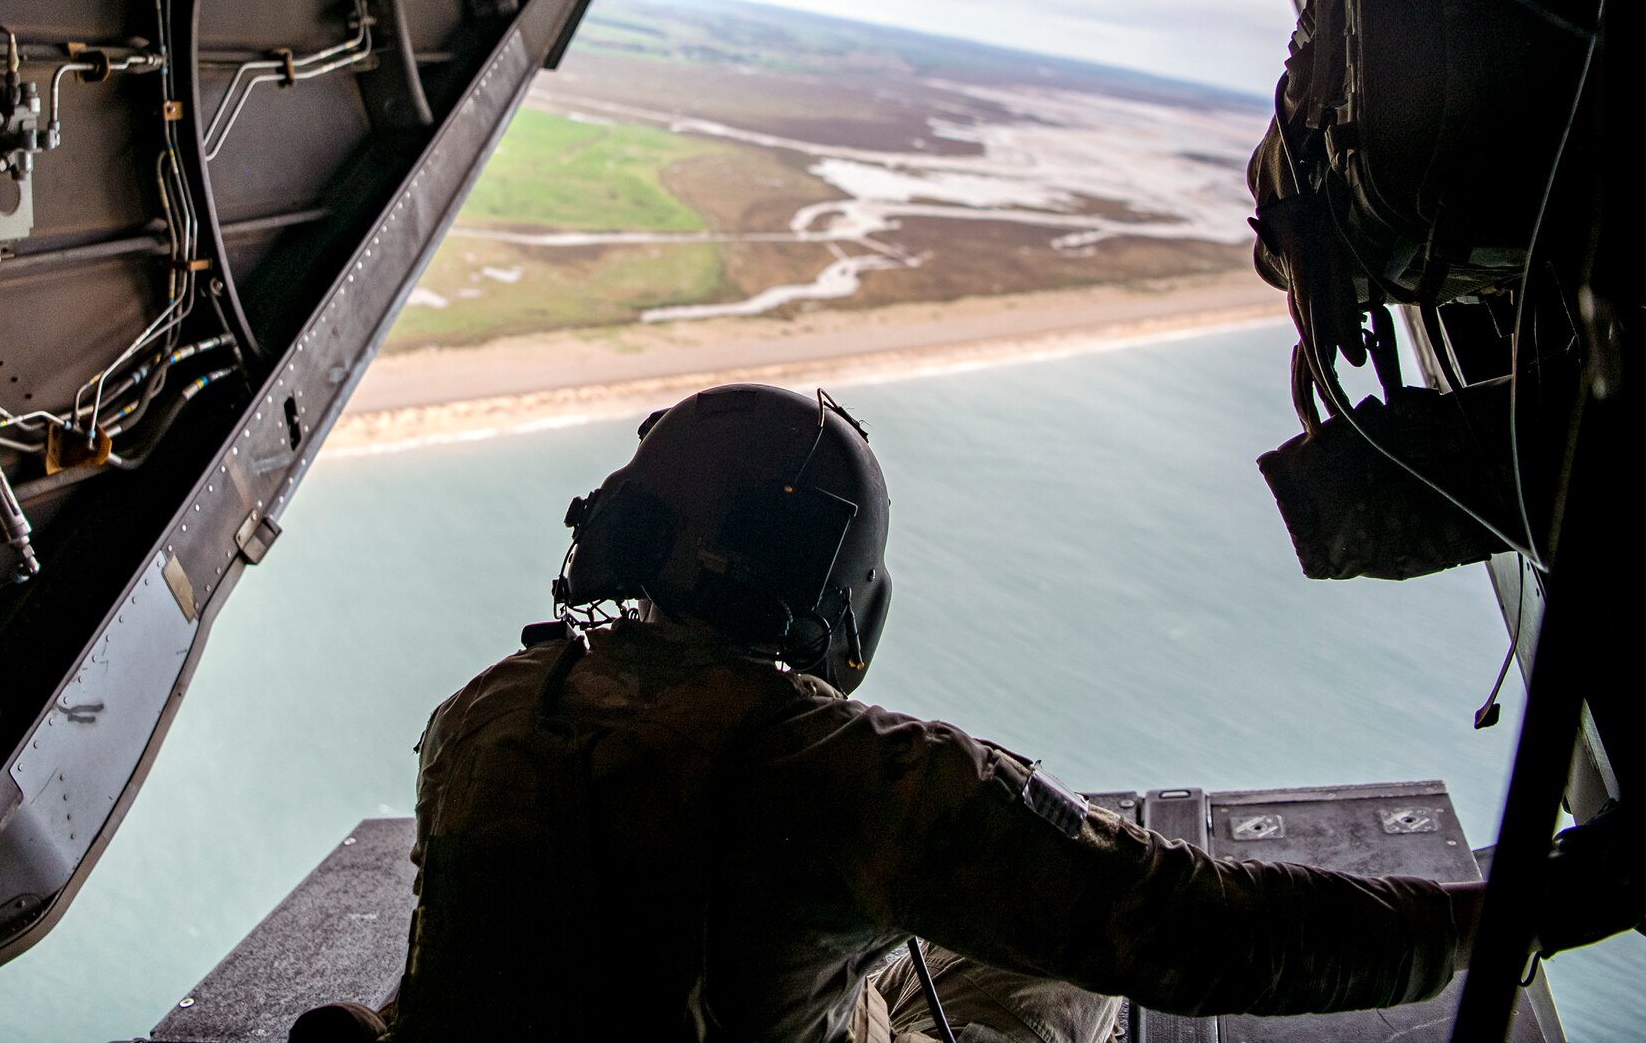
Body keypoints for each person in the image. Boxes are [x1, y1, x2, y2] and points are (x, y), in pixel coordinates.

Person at [331, 383, 1625, 1043]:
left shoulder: (488, 707)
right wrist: (1488, 918)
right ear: (826, 578)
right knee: (1068, 970)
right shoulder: (852, 777)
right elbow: (1205, 929)